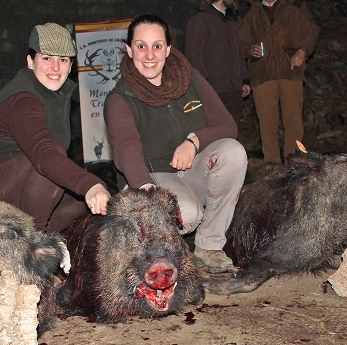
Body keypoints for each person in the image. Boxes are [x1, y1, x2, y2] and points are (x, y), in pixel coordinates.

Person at [104, 14, 247, 274]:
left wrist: (194, 141)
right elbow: (126, 149)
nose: (150, 55)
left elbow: (228, 126)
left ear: (168, 49)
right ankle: (156, 248)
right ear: (129, 50)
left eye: (157, 46)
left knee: (233, 152)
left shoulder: (190, 78)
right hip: (149, 177)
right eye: (141, 46)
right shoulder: (120, 98)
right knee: (187, 216)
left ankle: (209, 246)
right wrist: (151, 195)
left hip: (191, 171)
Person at [0, 23, 111, 233]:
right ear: (30, 61)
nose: (55, 68)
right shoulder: (23, 101)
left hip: (13, 187)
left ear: (70, 66)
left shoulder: (54, 96)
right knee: (52, 163)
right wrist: (90, 185)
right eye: (47, 58)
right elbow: (44, 155)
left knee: (81, 204)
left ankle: (31, 235)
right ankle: (34, 241)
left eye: (63, 60)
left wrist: (89, 190)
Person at [238, 0, 319, 164]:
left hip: (290, 71)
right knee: (267, 122)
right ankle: (272, 165)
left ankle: (294, 162)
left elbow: (312, 30)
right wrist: (250, 50)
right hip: (262, 74)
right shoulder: (249, 14)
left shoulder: (294, 8)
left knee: (294, 121)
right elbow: (240, 43)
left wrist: (303, 51)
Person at [185, 0, 251, 125]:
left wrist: (244, 79)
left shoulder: (231, 22)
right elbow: (193, 53)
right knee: (214, 131)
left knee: (231, 131)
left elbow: (237, 52)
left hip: (234, 90)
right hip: (214, 89)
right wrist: (204, 83)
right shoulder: (200, 20)